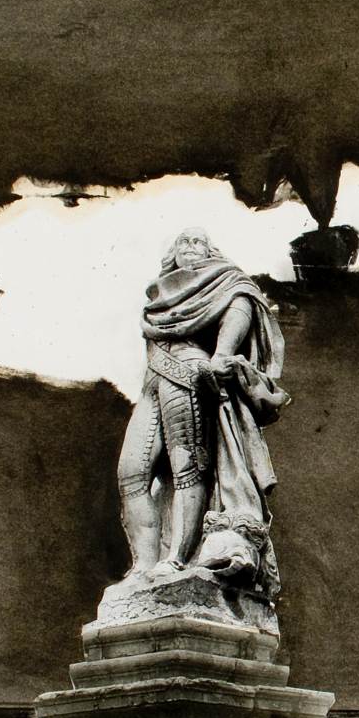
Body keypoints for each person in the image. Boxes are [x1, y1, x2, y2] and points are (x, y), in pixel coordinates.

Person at [116, 227, 290, 595]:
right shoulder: (160, 294)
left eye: (199, 241)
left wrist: (223, 353)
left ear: (210, 250)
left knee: (187, 467)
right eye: (183, 241)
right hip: (153, 380)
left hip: (190, 373)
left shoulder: (226, 279)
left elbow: (242, 304)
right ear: (173, 252)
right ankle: (142, 566)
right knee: (131, 474)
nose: (191, 247)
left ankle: (176, 559)